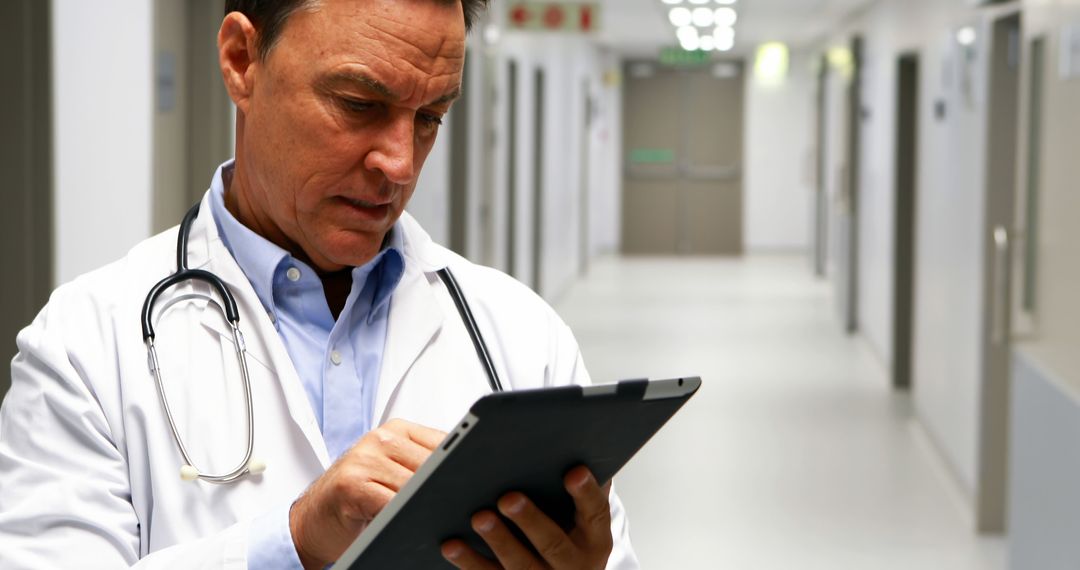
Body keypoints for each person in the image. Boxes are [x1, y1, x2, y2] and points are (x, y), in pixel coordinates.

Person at [0, 0, 640, 568]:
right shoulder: (86, 345)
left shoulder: (521, 337)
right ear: (241, 60)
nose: (399, 162)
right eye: (360, 104)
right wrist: (294, 542)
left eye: (430, 118)